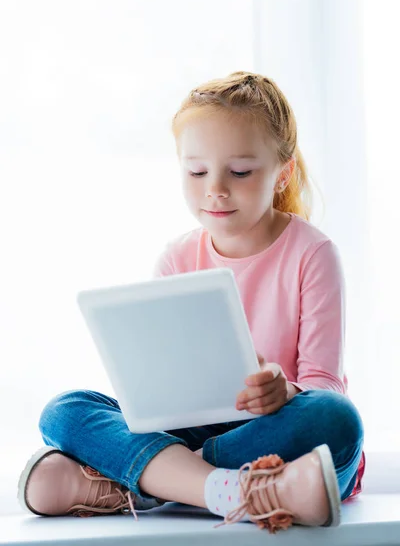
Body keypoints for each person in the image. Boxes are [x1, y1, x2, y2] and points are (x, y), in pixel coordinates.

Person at [17, 71, 365, 533]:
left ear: (284, 173)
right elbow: (158, 387)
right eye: (197, 171)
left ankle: (153, 482)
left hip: (275, 432)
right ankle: (238, 491)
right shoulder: (178, 256)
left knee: (336, 419)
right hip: (197, 430)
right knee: (65, 409)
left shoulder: (312, 254)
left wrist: (286, 391)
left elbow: (324, 387)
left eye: (239, 172)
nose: (214, 189)